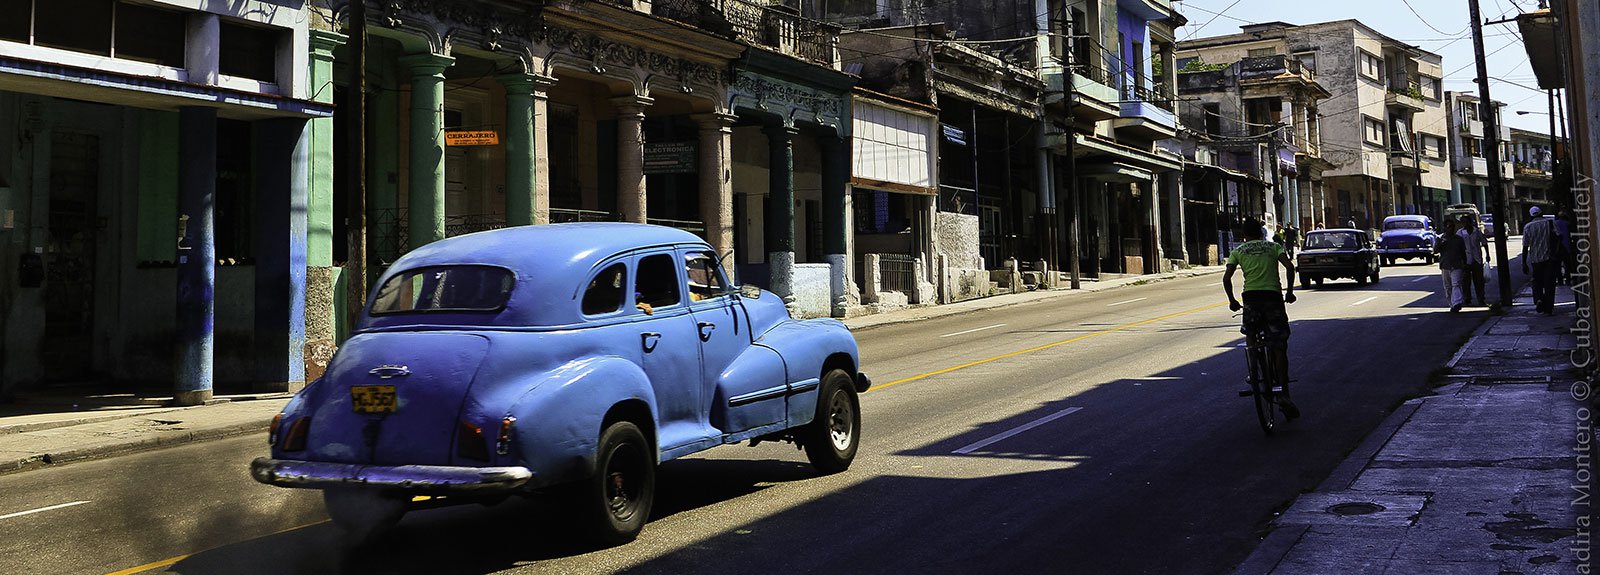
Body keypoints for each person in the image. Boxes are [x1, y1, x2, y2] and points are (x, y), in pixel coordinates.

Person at [1223, 220, 1299, 418]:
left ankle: (1254, 368)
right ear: (1261, 232)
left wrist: (1232, 300)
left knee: (1250, 332)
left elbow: (1226, 278)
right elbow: (1290, 268)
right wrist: (1289, 293)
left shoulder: (1239, 251)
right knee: (1279, 344)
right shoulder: (1273, 246)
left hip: (1251, 299)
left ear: (1244, 234)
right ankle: (1284, 393)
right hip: (1272, 298)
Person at [1522, 205, 1558, 314]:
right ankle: (1549, 308)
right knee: (1549, 283)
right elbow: (1558, 236)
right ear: (1541, 213)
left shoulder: (1528, 227)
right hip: (1549, 258)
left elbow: (1525, 246)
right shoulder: (1550, 223)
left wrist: (1524, 263)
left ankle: (1539, 299)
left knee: (1537, 282)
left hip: (1535, 259)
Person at [1457, 213, 1491, 306]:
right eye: (1463, 222)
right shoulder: (1459, 233)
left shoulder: (1477, 232)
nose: (1466, 224)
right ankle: (1467, 298)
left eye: (1467, 222)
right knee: (1465, 281)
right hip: (1465, 260)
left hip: (1477, 259)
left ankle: (1481, 299)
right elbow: (1458, 247)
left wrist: (1487, 255)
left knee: (1479, 281)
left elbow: (1484, 243)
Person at [1435, 219, 1467, 312]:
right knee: (1448, 286)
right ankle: (1452, 304)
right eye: (1449, 226)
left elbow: (1463, 253)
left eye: (1453, 226)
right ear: (1445, 228)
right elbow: (1435, 250)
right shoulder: (1440, 238)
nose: (1451, 228)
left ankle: (1457, 303)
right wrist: (1441, 243)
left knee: (1456, 284)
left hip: (1457, 265)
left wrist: (1464, 264)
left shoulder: (1459, 239)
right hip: (1445, 265)